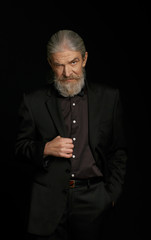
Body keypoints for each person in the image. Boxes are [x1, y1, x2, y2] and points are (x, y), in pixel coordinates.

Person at [15, 30, 127, 240]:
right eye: (59, 65)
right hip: (47, 202)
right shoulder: (33, 101)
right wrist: (45, 148)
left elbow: (118, 151)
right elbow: (19, 148)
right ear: (50, 63)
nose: (67, 73)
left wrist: (110, 196)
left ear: (84, 59)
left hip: (93, 200)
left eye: (73, 62)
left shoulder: (109, 98)